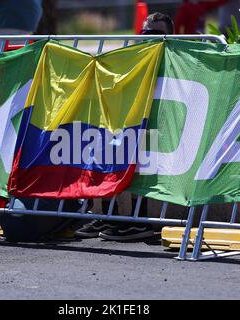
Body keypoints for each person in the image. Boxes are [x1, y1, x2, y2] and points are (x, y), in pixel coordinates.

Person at [74, 13, 174, 242]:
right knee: (103, 145)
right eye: (146, 35)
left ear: (169, 36)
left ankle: (137, 220)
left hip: (162, 125)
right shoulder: (133, 58)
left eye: (157, 35)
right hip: (133, 122)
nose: (150, 40)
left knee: (138, 153)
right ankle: (108, 215)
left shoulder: (175, 60)